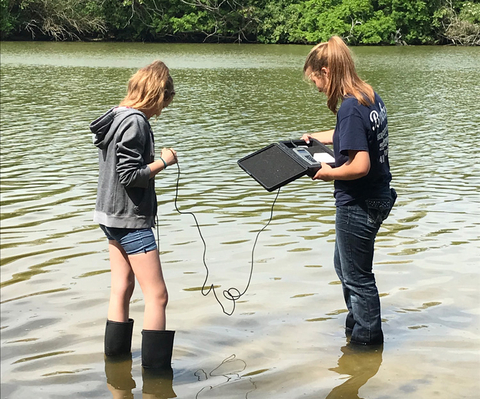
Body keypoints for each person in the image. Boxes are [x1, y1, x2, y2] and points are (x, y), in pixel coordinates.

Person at [301, 36, 396, 346]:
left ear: (326, 71)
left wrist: (327, 173)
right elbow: (354, 135)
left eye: (315, 80)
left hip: (360, 201)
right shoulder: (367, 95)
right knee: (344, 266)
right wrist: (318, 137)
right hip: (378, 195)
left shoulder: (350, 107)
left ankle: (367, 344)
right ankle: (355, 340)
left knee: (358, 277)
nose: (316, 87)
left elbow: (359, 165)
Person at [90, 60, 178, 369]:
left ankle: (115, 367)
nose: (162, 111)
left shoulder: (115, 116)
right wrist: (164, 161)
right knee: (158, 295)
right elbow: (129, 175)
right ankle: (156, 376)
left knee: (122, 288)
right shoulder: (136, 122)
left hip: (109, 217)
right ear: (156, 95)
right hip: (129, 220)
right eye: (164, 103)